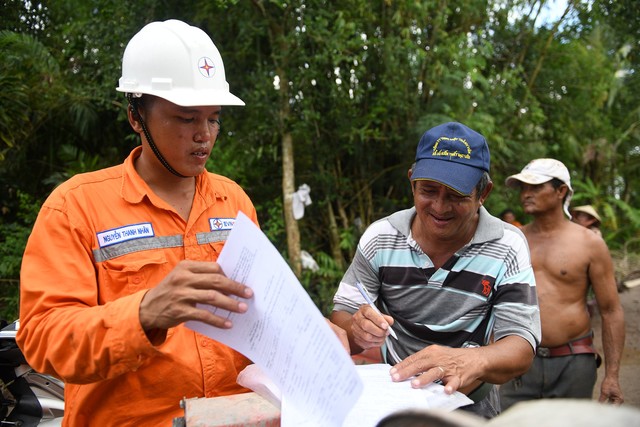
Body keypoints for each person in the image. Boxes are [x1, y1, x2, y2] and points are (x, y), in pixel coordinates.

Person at [17, 19, 258, 426]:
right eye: (186, 118)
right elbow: (43, 338)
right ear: (136, 116)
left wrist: (330, 333)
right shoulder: (76, 206)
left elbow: (262, 313)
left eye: (214, 118)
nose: (204, 135)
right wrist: (143, 314)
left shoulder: (232, 200)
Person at [330, 122, 541, 419]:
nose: (440, 207)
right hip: (393, 403)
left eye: (456, 195)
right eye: (428, 190)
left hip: (470, 407)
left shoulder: (506, 245)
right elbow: (342, 321)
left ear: (484, 193)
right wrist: (358, 329)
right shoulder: (381, 238)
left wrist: (468, 360)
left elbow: (520, 346)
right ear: (412, 182)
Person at [500, 158, 625, 409]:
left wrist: (611, 375)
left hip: (573, 361)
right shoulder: (513, 240)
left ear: (561, 191)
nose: (526, 194)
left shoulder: (589, 243)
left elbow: (611, 310)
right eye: (523, 188)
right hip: (518, 361)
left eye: (535, 187)